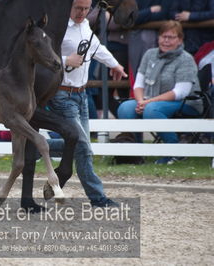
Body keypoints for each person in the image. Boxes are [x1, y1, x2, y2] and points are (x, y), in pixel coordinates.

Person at [46, 0, 127, 207]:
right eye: (78, 8)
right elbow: (42, 53)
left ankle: (39, 146)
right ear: (68, 6)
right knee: (83, 147)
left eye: (86, 8)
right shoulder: (58, 24)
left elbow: (96, 47)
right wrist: (65, 60)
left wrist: (115, 65)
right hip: (62, 95)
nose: (82, 13)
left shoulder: (84, 25)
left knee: (81, 146)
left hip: (81, 95)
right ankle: (98, 198)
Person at [117, 20, 203, 164]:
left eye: (171, 37)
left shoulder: (185, 59)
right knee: (125, 108)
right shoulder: (150, 54)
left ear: (180, 40)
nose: (166, 41)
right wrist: (140, 102)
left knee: (151, 110)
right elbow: (138, 84)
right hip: (149, 100)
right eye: (163, 36)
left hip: (185, 103)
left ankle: (175, 152)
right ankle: (136, 153)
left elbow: (181, 92)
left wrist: (148, 102)